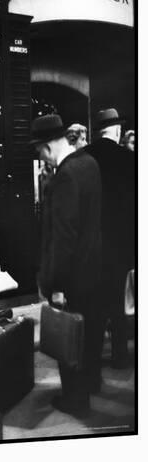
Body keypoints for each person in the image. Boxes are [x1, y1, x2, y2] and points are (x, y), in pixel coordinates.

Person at [31, 114, 102, 416]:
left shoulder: (65, 177)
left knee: (68, 339)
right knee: (85, 339)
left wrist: (54, 284)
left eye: (39, 153)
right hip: (92, 270)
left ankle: (75, 400)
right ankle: (86, 388)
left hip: (72, 276)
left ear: (47, 147)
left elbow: (62, 239)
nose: (41, 160)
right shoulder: (89, 163)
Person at [85, 108, 135, 368]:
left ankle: (91, 362)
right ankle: (120, 355)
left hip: (92, 245)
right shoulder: (129, 159)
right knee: (117, 301)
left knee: (93, 304)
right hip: (121, 245)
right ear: (116, 131)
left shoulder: (85, 157)